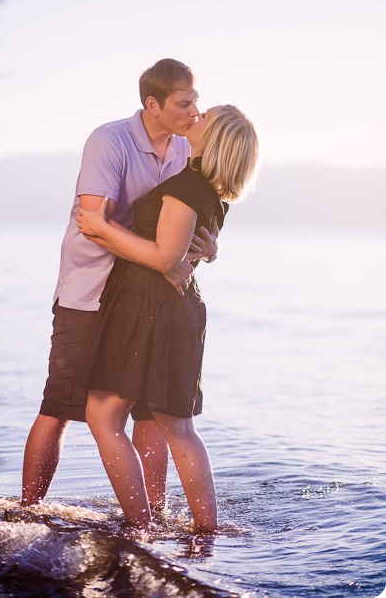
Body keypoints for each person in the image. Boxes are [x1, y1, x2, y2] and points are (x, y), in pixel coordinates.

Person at [21, 58, 219, 507]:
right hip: (89, 294)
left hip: (146, 301)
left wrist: (204, 249)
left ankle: (151, 521)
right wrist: (165, 261)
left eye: (196, 101)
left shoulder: (187, 152)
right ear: (152, 104)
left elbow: (189, 226)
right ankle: (26, 513)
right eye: (183, 103)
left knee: (149, 413)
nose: (193, 111)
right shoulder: (109, 140)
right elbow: (93, 221)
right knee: (59, 408)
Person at [75, 104, 259, 532]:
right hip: (174, 307)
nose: (195, 117)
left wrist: (101, 227)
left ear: (213, 138)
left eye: (204, 117)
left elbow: (163, 257)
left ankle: (141, 526)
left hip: (149, 306)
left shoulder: (187, 188)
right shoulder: (212, 192)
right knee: (177, 425)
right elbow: (183, 254)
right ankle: (204, 530)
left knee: (104, 416)